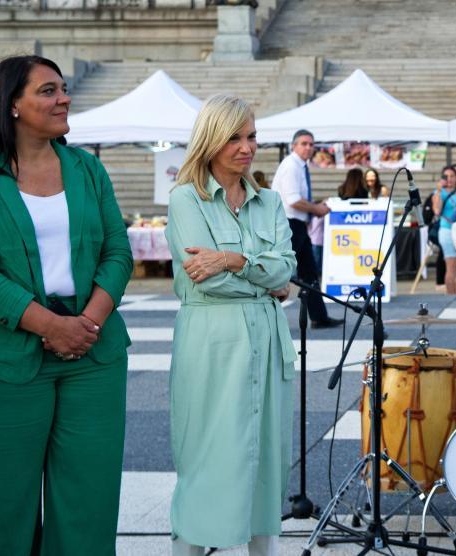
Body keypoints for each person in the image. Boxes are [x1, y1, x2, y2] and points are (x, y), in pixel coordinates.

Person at [0, 55, 132, 554]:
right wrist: (48, 324)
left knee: (88, 505)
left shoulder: (86, 168)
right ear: (13, 105)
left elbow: (117, 250)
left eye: (63, 89)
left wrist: (85, 322)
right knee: (0, 508)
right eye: (48, 91)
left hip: (92, 354)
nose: (64, 98)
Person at [165, 94, 298, 556]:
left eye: (252, 136)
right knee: (208, 457)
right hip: (213, 344)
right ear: (210, 140)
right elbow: (208, 285)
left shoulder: (270, 202)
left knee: (266, 457)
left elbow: (289, 270)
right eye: (234, 137)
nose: (247, 147)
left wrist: (234, 260)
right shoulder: (186, 200)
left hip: (268, 340)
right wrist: (266, 279)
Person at [271, 129, 342, 328]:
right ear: (294, 145)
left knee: (309, 272)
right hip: (288, 224)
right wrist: (316, 208)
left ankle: (319, 317)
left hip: (296, 224)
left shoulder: (299, 166)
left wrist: (314, 207)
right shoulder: (291, 166)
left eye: (311, 144)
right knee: (280, 272)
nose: (309, 147)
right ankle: (267, 314)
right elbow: (293, 200)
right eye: (304, 143)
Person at [431, 165, 456, 294]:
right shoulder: (439, 193)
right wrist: (438, 190)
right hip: (448, 230)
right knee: (452, 267)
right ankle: (451, 297)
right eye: (445, 176)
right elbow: (437, 211)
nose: (449, 179)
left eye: (452, 176)